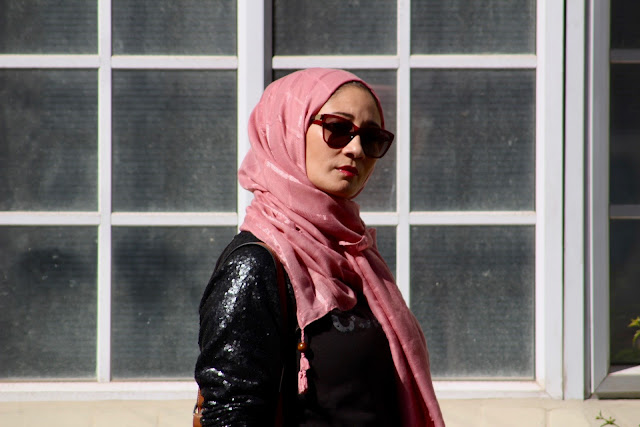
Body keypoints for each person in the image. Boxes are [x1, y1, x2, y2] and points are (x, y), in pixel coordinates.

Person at [195, 68, 444, 426]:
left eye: (371, 138)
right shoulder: (254, 265)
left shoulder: (356, 256)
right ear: (288, 131)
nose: (356, 149)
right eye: (337, 129)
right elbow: (230, 414)